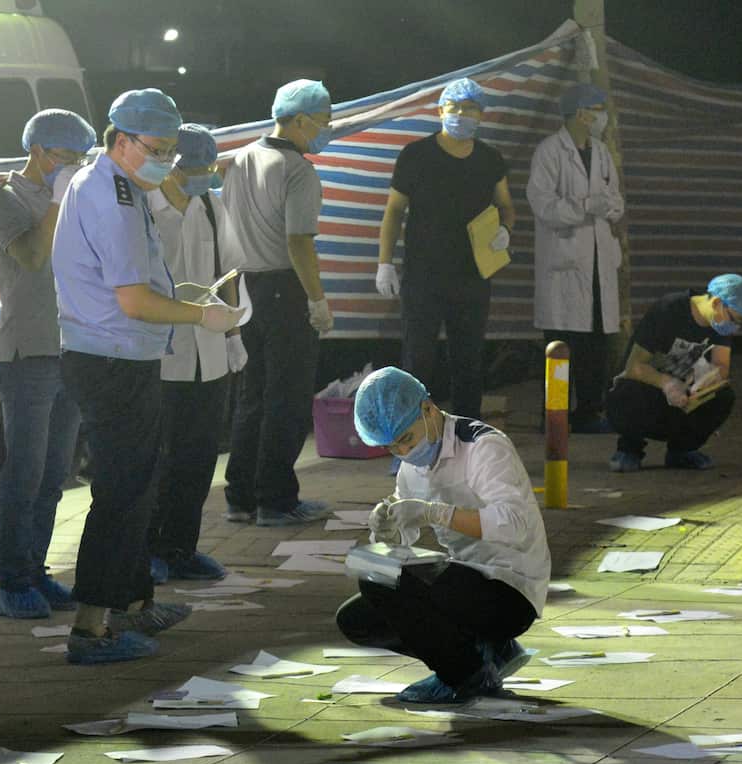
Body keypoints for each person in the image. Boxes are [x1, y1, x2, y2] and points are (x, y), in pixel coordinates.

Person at [52, 88, 242, 664]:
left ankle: (132, 607)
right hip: (112, 356)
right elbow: (133, 301)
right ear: (120, 139)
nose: (165, 161)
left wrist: (180, 297)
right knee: (121, 492)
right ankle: (90, 631)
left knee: (137, 483)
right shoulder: (114, 197)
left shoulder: (114, 185)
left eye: (169, 151)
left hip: (116, 353)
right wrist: (201, 315)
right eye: (156, 149)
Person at [335, 367, 551, 704]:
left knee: (384, 581)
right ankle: (489, 652)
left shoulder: (483, 446)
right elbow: (405, 542)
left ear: (428, 409)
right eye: (393, 448)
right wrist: (388, 527)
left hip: (511, 587)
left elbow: (514, 524)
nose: (404, 452)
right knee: (358, 617)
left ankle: (467, 674)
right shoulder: (411, 466)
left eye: (406, 439)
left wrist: (434, 512)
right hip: (465, 580)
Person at [0, 108, 96, 619]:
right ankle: (11, 581)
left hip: (71, 348)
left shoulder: (74, 196)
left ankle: (35, 568)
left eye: (80, 160)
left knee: (55, 474)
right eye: (66, 158)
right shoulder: (6, 199)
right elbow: (32, 256)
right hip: (26, 353)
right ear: (38, 151)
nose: (73, 167)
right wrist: (58, 197)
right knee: (24, 473)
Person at [221, 79, 334, 527]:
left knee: (253, 396)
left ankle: (241, 496)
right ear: (301, 119)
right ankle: (277, 500)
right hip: (285, 291)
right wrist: (317, 300)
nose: (327, 129)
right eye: (324, 121)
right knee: (286, 399)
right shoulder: (297, 170)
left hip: (245, 287)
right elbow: (299, 242)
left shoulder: (240, 159)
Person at [374, 78, 516, 421]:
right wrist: (384, 263)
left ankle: (468, 438)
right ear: (441, 111)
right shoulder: (416, 156)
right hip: (422, 278)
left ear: (481, 114)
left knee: (468, 361)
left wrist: (505, 231)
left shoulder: (489, 159)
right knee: (418, 361)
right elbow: (394, 211)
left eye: (470, 108)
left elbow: (506, 206)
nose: (462, 114)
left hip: (472, 277)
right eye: (455, 108)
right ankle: (412, 439)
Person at [146, 123, 246, 583]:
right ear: (171, 165)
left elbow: (230, 269)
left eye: (209, 167)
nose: (204, 175)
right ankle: (148, 551)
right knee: (158, 456)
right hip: (160, 353)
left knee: (201, 454)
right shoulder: (146, 207)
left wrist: (235, 333)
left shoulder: (211, 204)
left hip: (210, 350)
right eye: (196, 168)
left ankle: (181, 548)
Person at [527, 83, 625, 433]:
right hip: (565, 265)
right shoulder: (550, 152)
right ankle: (553, 415)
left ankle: (588, 412)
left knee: (596, 342)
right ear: (580, 112)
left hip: (599, 261)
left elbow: (614, 198)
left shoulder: (600, 151)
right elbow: (543, 205)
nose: (602, 115)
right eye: (597, 108)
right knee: (562, 344)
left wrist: (607, 206)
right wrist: (585, 207)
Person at [606, 273, 742, 472]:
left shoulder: (719, 326)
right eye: (735, 319)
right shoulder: (669, 310)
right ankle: (629, 447)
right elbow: (634, 367)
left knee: (723, 397)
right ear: (716, 303)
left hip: (681, 397)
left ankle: (683, 450)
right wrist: (667, 384)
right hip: (645, 390)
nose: (735, 328)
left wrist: (704, 382)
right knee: (630, 392)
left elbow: (721, 367)